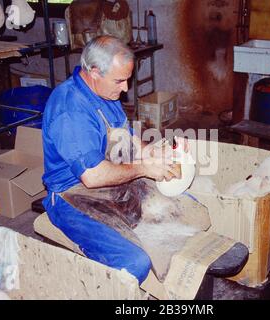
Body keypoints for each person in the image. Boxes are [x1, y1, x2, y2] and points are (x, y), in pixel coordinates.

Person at [41, 35, 179, 284]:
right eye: (120, 80)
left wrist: (156, 152)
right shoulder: (70, 109)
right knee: (135, 262)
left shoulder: (107, 95)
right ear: (94, 72)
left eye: (127, 79)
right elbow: (93, 177)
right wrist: (143, 168)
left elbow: (129, 139)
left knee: (180, 211)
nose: (126, 88)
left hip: (111, 181)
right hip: (71, 195)